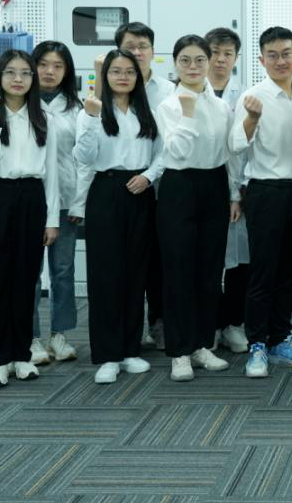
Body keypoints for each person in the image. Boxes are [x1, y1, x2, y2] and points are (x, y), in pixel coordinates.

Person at [154, 34, 242, 382]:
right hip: (179, 187)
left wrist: (234, 194)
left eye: (199, 60)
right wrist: (188, 114)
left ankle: (202, 344)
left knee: (209, 272)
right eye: (185, 60)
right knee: (178, 273)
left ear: (209, 62)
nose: (193, 67)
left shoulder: (221, 106)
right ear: (175, 64)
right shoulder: (168, 106)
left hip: (214, 185)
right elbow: (175, 151)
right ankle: (179, 351)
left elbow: (230, 153)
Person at [73, 50, 163, 384]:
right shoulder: (93, 110)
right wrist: (91, 117)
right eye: (116, 71)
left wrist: (149, 177)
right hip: (106, 191)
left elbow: (162, 153)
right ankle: (108, 355)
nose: (123, 77)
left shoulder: (147, 112)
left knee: (136, 273)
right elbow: (84, 156)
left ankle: (129, 349)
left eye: (129, 71)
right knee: (106, 275)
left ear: (138, 77)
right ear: (105, 76)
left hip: (140, 192)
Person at [231, 27, 292, 377]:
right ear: (262, 59)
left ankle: (280, 339)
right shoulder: (253, 95)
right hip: (266, 192)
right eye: (273, 55)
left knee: (290, 270)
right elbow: (236, 145)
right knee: (263, 272)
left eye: (286, 53)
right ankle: (257, 345)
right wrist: (252, 118)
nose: (280, 61)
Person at [0, 50, 59, 388]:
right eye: (10, 72)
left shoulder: (43, 117)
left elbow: (51, 172)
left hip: (32, 198)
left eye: (25, 72)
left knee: (25, 281)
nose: (18, 79)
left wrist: (51, 219)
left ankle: (21, 355)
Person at [110, 22, 174, 350]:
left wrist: (151, 174)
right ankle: (127, 330)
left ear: (152, 51)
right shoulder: (110, 92)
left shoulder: (168, 90)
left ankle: (159, 322)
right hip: (128, 190)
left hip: (164, 189)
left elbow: (170, 144)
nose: (137, 52)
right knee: (130, 263)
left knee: (161, 262)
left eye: (143, 46)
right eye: (130, 46)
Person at [27, 41, 82, 366]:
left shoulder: (76, 107)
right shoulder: (21, 103)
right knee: (30, 273)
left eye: (58, 66)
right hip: (30, 201)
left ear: (66, 71)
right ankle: (31, 337)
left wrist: (80, 203)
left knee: (63, 271)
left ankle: (59, 335)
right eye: (43, 64)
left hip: (65, 201)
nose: (49, 71)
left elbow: (85, 159)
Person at [205, 27, 251, 357]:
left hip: (238, 186)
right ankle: (208, 324)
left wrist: (237, 192)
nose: (221, 60)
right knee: (206, 260)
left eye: (228, 54)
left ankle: (234, 322)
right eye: (215, 52)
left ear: (236, 58)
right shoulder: (190, 93)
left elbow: (242, 149)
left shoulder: (246, 96)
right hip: (202, 185)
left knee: (239, 260)